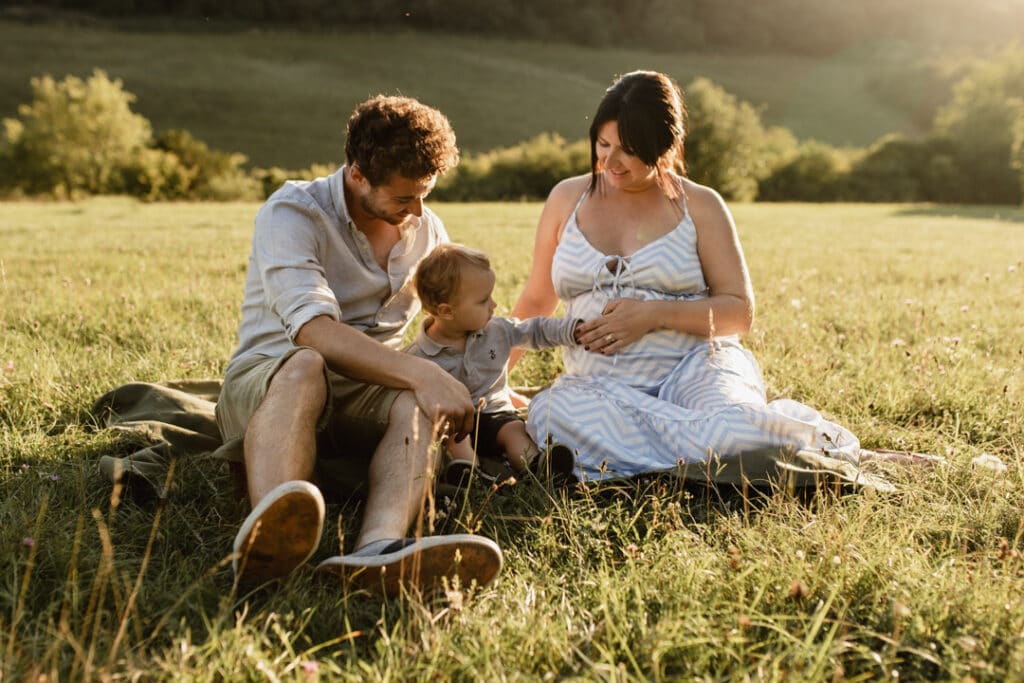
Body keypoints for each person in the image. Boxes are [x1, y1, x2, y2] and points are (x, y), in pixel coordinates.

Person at [510, 70, 864, 483]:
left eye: (628, 150)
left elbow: (738, 313)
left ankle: (679, 454)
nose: (610, 162)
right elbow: (537, 300)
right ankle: (749, 451)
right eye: (602, 145)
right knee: (554, 413)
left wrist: (652, 315)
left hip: (697, 370)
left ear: (665, 145)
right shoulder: (566, 198)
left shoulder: (700, 205)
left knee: (725, 422)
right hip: (602, 388)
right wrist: (490, 380)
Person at [216, 95, 503, 593]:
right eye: (402, 199)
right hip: (274, 376)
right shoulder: (293, 212)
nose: (417, 212)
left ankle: (378, 551)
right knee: (307, 364)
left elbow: (450, 322)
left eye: (424, 196)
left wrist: (484, 383)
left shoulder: (426, 227)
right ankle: (272, 541)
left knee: (417, 402)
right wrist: (422, 373)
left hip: (367, 388)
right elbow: (313, 331)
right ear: (356, 175)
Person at [405, 243, 577, 487]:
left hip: (495, 414)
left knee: (514, 430)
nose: (493, 305)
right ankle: (471, 476)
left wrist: (572, 330)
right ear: (446, 311)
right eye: (484, 300)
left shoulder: (496, 329)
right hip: (455, 422)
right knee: (453, 438)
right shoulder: (418, 356)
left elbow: (535, 330)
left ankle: (540, 468)